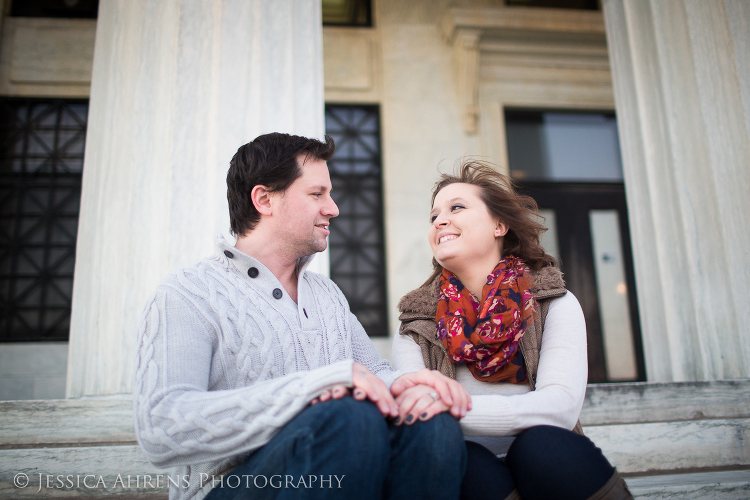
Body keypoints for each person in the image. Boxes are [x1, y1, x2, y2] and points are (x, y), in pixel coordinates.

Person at [133, 133, 471, 500]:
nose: (333, 208)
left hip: (337, 472)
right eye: (317, 194)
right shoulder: (189, 294)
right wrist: (312, 389)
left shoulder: (327, 295)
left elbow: (372, 375)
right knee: (348, 416)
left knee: (433, 423)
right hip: (230, 487)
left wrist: (411, 386)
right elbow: (160, 427)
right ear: (264, 200)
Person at [391, 161, 633, 500]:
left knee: (541, 444)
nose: (440, 221)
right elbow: (418, 415)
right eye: (434, 216)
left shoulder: (553, 304)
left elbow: (559, 408)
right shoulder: (416, 325)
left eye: (456, 207)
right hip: (471, 479)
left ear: (499, 225)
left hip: (551, 465)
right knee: (464, 461)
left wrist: (449, 408)